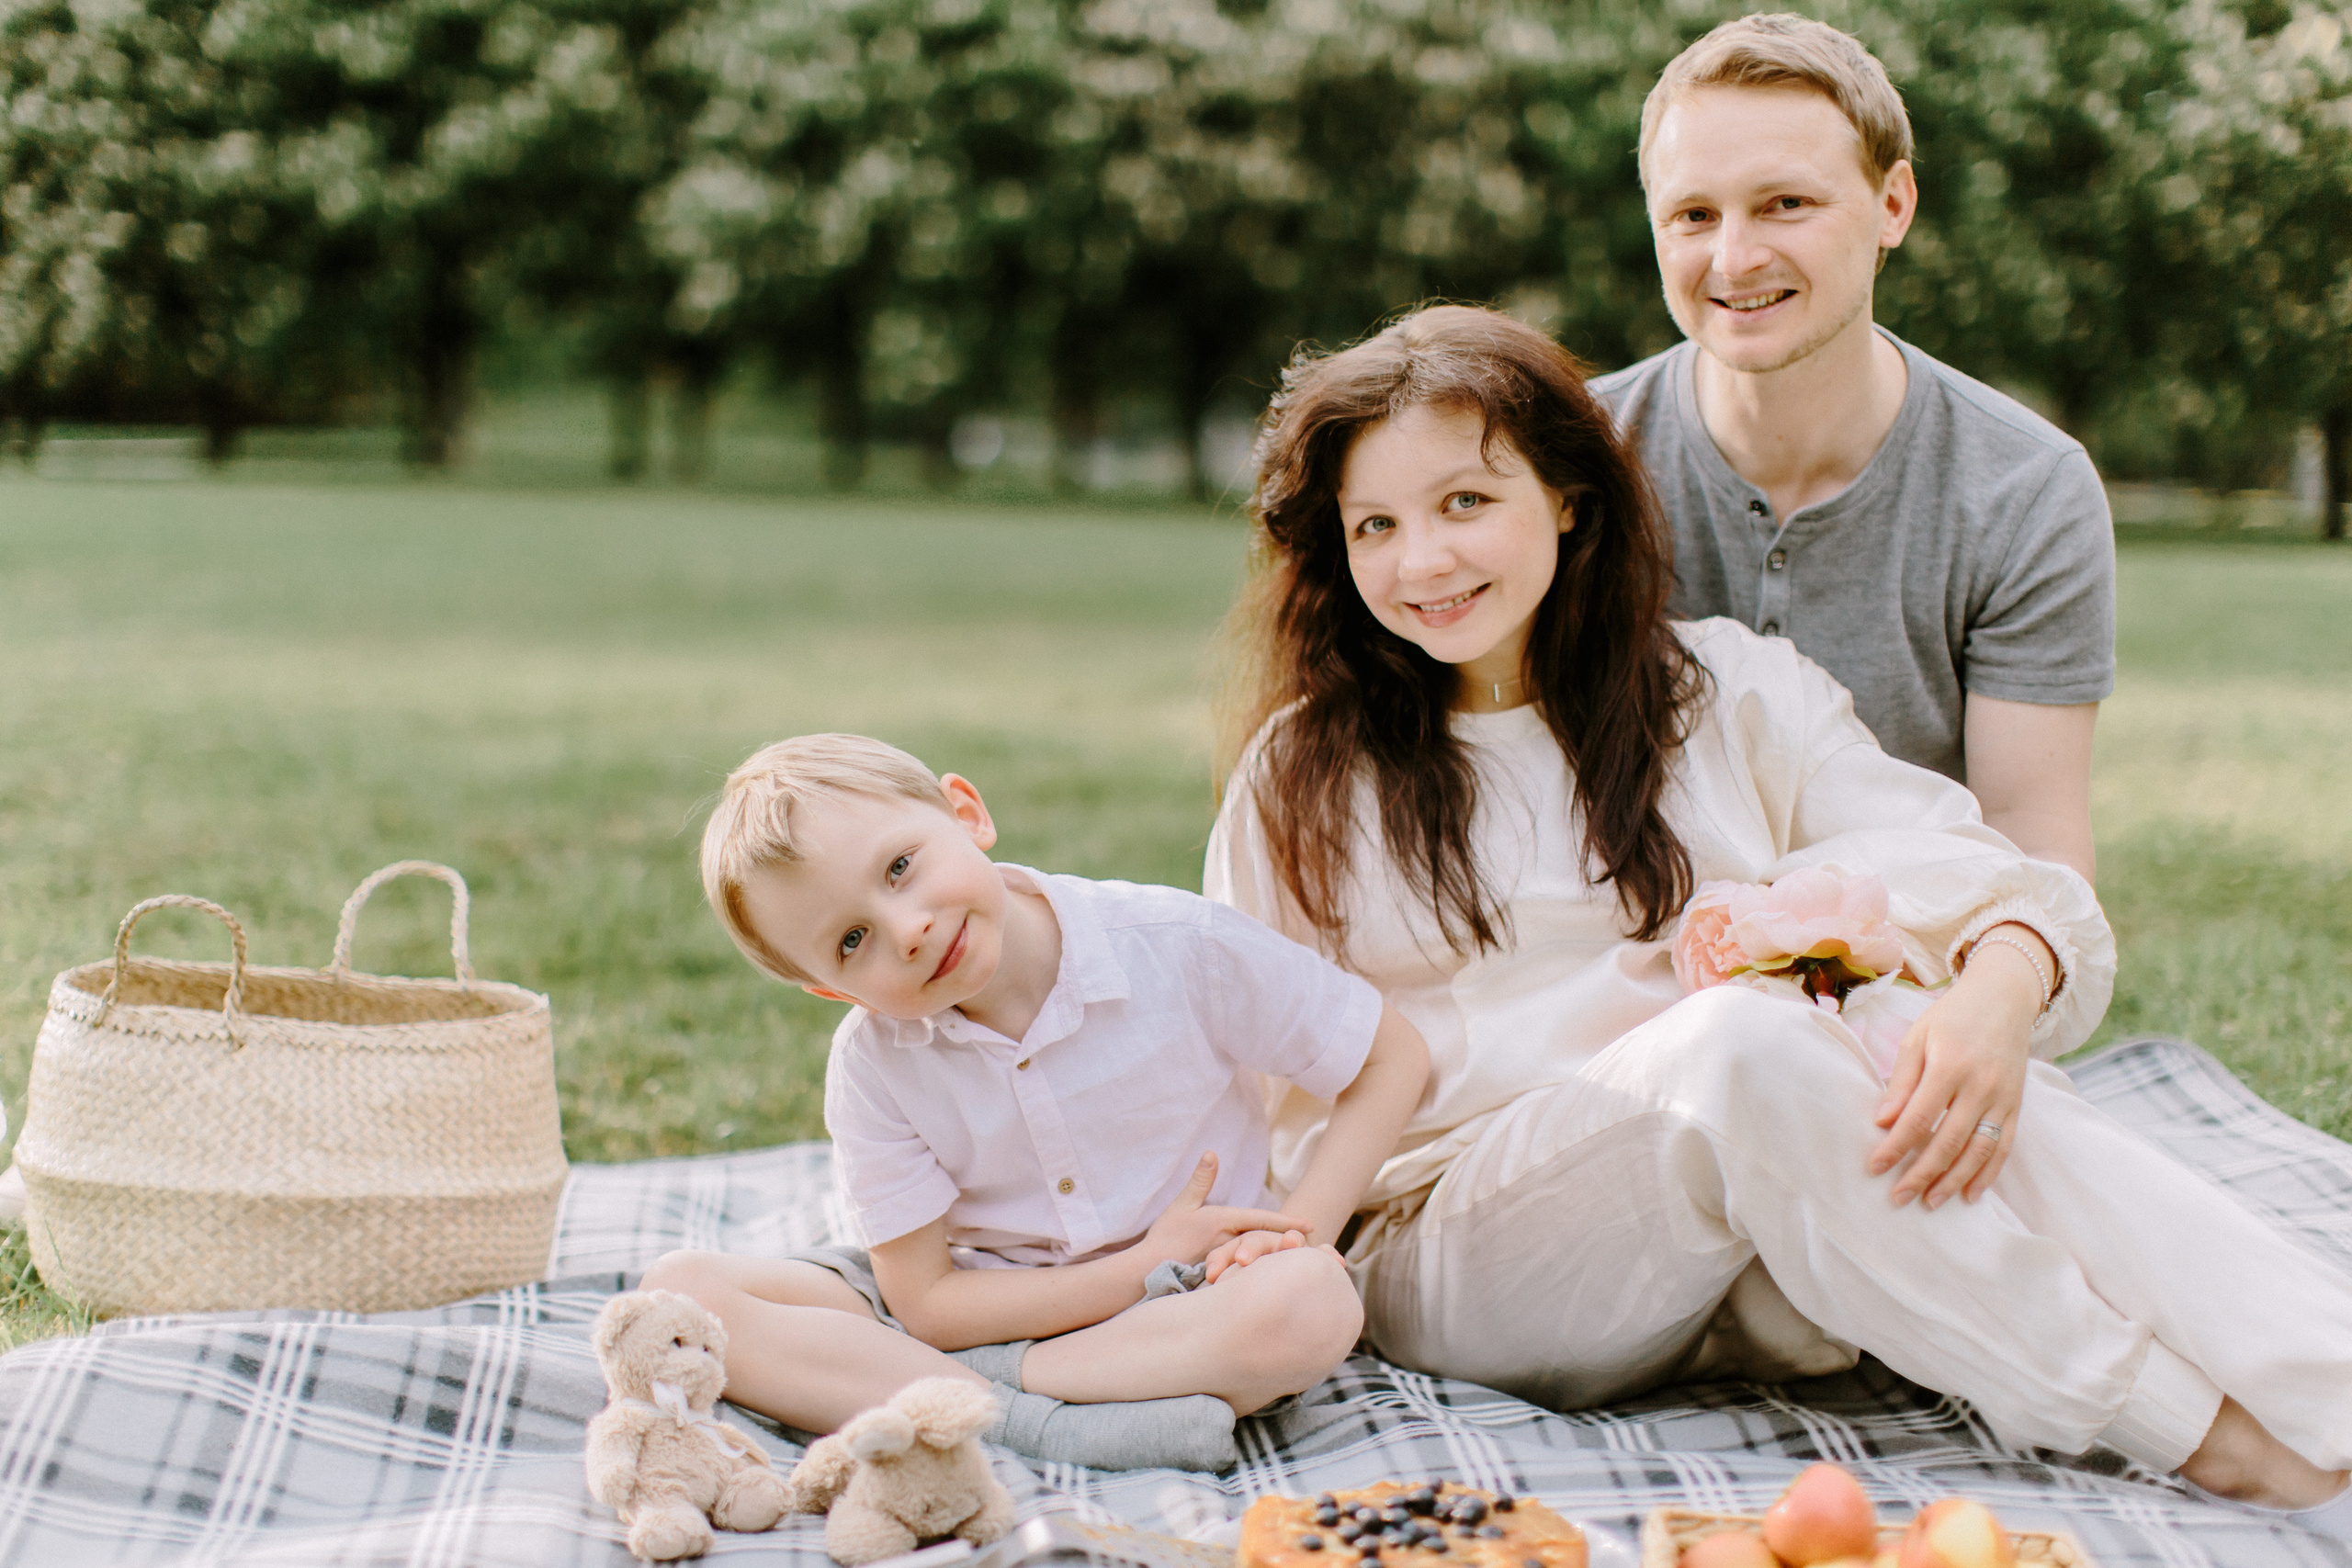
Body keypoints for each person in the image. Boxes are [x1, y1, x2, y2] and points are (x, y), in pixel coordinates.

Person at [1205, 305, 2352, 1534]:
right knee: (1744, 1040)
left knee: (1930, 1045)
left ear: (1570, 499)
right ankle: (2207, 1438)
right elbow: (1223, 1064)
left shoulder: (1727, 690)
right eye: (1374, 524)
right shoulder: (1308, 771)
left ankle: (2333, 1395)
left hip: (1753, 1240)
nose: (1421, 558)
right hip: (1467, 1251)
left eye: (1466, 503)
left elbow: (1988, 875)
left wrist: (1993, 992)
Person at [646, 733, 1429, 1472]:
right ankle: (1041, 1419)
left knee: (1312, 1302)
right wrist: (1135, 1265)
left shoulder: (1177, 945)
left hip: (1194, 1297)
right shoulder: (872, 1063)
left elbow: (1391, 1055)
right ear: (830, 987)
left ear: (967, 814)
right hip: (986, 1301)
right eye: (852, 941)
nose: (907, 927)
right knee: (677, 1298)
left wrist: (1299, 1233)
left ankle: (966, 1392)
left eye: (900, 868)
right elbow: (927, 1301)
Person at [1589, 14, 2109, 884]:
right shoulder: (1570, 459)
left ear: (1893, 205)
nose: (1735, 256)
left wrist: (1994, 989)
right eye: (1692, 214)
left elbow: (2032, 840)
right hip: (1630, 973)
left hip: (1904, 966)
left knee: (2170, 1038)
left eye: (1785, 203)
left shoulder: (2027, 489)